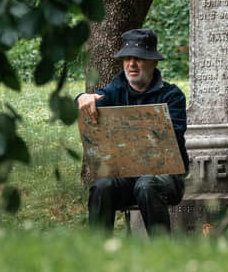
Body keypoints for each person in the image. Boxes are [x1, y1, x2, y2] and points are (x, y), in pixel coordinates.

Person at [79, 28, 188, 234]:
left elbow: (171, 138)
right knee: (102, 187)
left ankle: (161, 252)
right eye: (127, 58)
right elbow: (93, 99)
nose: (131, 64)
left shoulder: (173, 96)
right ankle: (96, 255)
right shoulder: (115, 90)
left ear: (153, 62)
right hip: (125, 179)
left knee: (146, 185)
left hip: (166, 178)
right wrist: (82, 97)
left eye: (138, 58)